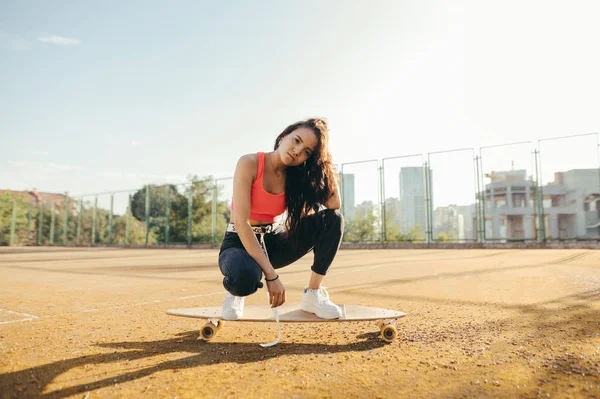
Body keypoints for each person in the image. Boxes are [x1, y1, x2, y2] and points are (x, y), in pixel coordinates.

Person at [218, 118, 344, 320]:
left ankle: (313, 294)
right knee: (244, 278)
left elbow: (334, 204)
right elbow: (242, 223)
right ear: (284, 135)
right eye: (296, 140)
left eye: (306, 152)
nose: (297, 151)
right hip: (239, 242)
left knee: (333, 220)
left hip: (274, 242)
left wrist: (325, 161)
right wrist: (271, 276)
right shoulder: (249, 163)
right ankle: (235, 293)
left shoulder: (297, 177)